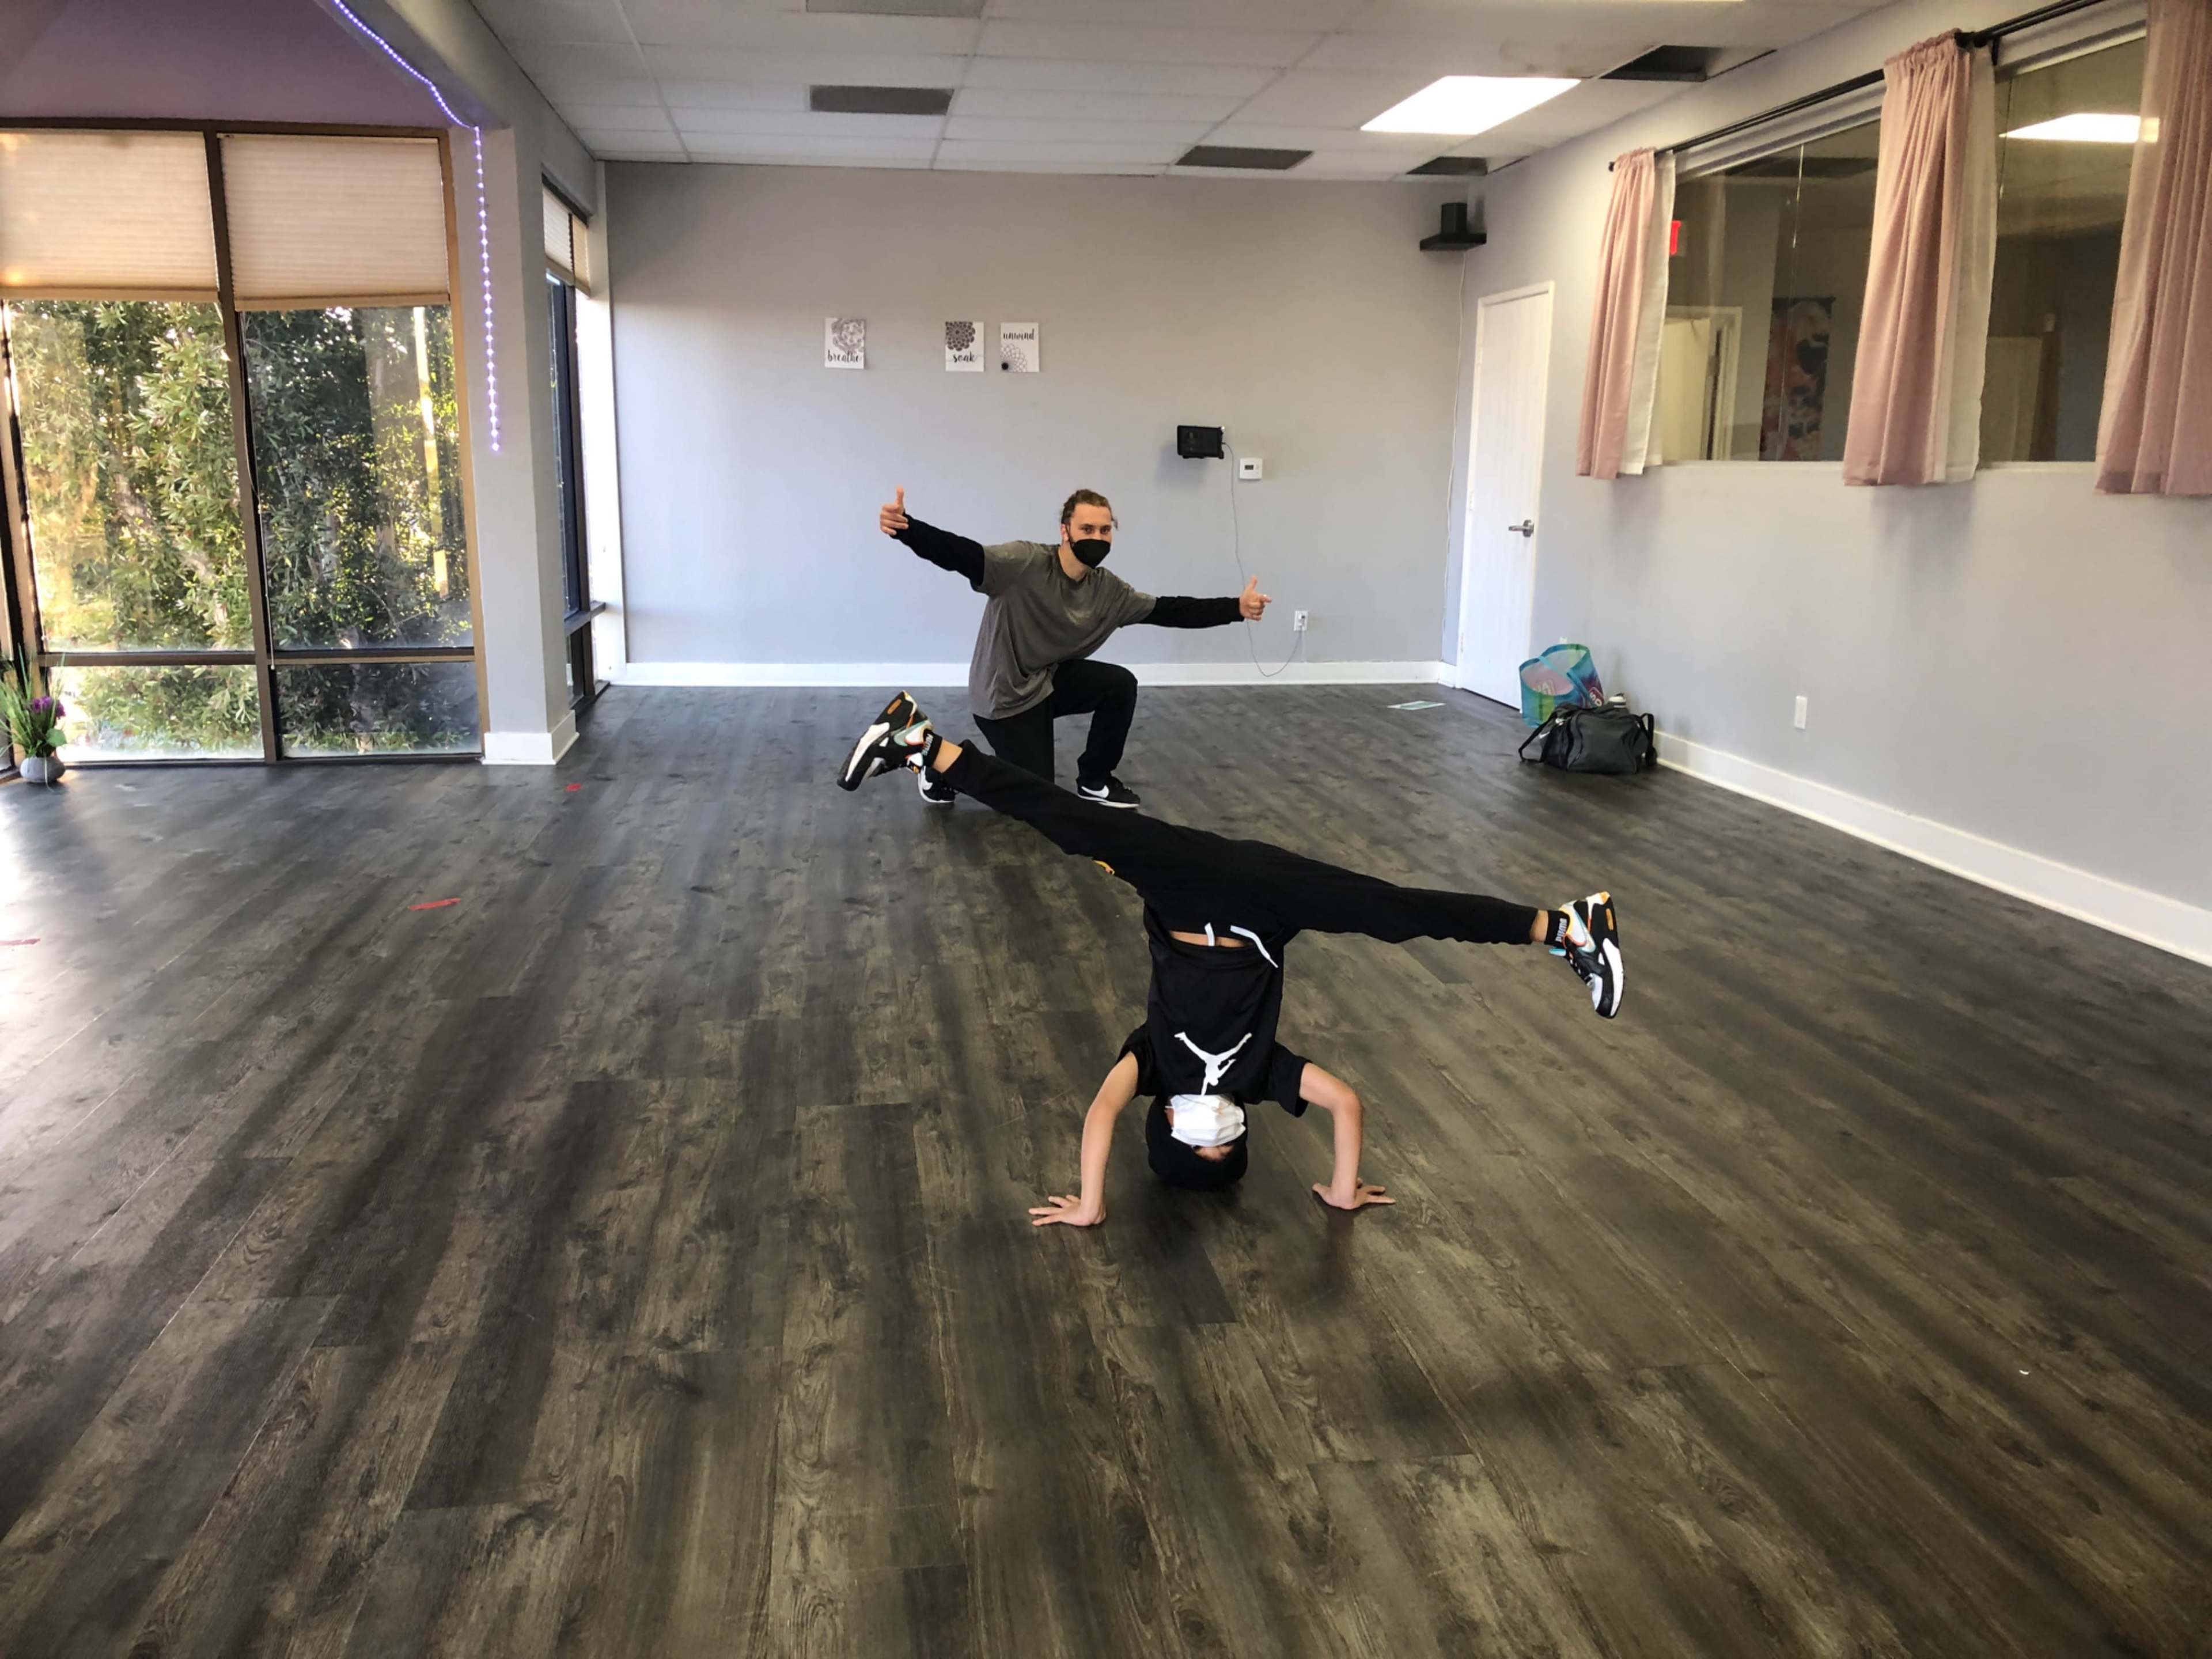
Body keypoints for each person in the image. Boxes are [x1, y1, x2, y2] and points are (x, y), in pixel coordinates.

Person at [838, 692, 1624, 1228]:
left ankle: (922, 742)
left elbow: (1099, 1115)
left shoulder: (1151, 1067)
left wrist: (1090, 1202)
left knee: (1071, 824)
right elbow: (1346, 1105)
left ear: (1167, 1127)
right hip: (1265, 905)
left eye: (1194, 1142)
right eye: (1227, 1143)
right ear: (1244, 1128)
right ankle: (1566, 928)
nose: (1211, 1129)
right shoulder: (1260, 1076)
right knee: (1400, 913)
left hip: (1185, 891)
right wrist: (1342, 1191)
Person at [876, 486, 1269, 808]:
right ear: (1066, 531)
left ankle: (1096, 780)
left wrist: (1235, 608)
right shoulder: (1023, 564)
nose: (1097, 538)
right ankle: (936, 767)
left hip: (1048, 681)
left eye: (1105, 530)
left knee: (1119, 684)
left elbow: (1168, 609)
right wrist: (908, 529)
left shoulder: (1108, 590)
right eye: (1087, 529)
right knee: (1035, 798)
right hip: (1004, 696)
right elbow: (962, 554)